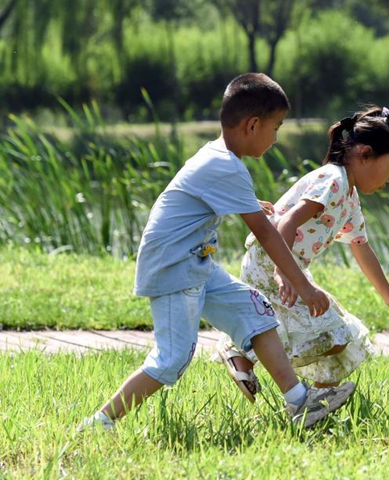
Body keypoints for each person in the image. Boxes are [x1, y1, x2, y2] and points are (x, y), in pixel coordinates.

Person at [80, 73, 355, 431]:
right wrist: (303, 286)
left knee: (257, 314)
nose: (276, 137)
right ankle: (99, 422)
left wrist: (247, 202)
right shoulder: (226, 166)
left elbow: (193, 198)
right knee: (170, 360)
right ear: (253, 125)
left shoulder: (219, 158)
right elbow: (269, 236)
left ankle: (301, 403)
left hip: (194, 262)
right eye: (276, 127)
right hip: (173, 267)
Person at [216, 106, 389, 398]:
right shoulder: (333, 181)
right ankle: (238, 352)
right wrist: (285, 273)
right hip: (271, 260)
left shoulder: (349, 195)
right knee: (327, 331)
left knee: (340, 336)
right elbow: (287, 221)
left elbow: (362, 247)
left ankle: (317, 399)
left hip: (288, 265)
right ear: (366, 154)